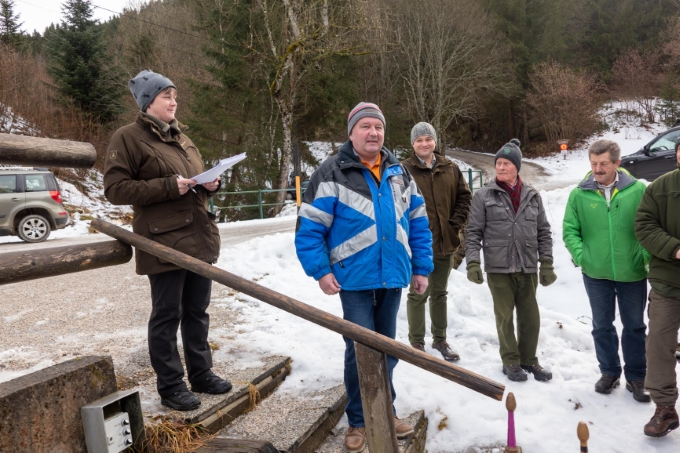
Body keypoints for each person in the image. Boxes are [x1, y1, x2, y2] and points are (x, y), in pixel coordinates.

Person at [295, 102, 434, 452]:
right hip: (352, 278)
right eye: (365, 126)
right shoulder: (331, 172)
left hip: (392, 275)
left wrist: (421, 267)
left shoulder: (400, 173)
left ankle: (386, 410)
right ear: (352, 132)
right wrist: (320, 271)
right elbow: (309, 228)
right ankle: (358, 419)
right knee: (359, 350)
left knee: (387, 348)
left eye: (379, 127)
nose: (373, 133)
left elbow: (418, 222)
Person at [104, 70, 230, 411]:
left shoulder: (182, 138)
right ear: (148, 102)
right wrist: (167, 186)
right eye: (166, 96)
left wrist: (211, 184)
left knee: (197, 312)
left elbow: (195, 181)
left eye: (175, 96)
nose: (174, 102)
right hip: (163, 243)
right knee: (167, 315)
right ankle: (171, 386)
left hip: (198, 239)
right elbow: (115, 190)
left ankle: (201, 374)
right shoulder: (128, 138)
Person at [563, 139, 650, 402]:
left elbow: (650, 226)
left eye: (603, 164)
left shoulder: (637, 191)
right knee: (602, 326)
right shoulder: (579, 194)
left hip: (632, 271)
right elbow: (570, 230)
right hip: (596, 273)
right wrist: (583, 257)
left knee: (634, 326)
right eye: (593, 164)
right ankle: (609, 372)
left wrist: (643, 257)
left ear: (617, 163)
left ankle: (637, 377)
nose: (598, 169)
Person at [465, 139, 555, 382]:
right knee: (504, 317)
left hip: (527, 265)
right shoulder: (483, 195)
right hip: (499, 267)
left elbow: (543, 231)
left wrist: (546, 263)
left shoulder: (533, 196)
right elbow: (473, 232)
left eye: (506, 163)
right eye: (499, 163)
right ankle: (510, 361)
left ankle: (529, 360)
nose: (501, 167)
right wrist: (473, 262)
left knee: (530, 317)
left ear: (517, 167)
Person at [401, 122, 471, 361]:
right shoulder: (403, 170)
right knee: (418, 293)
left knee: (440, 293)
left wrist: (454, 225)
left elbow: (464, 197)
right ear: (413, 144)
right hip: (417, 245)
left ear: (434, 141)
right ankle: (416, 343)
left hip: (445, 242)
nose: (424, 144)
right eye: (419, 140)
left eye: (428, 139)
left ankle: (440, 339)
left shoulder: (450, 167)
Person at [635, 138, 680, 437]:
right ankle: (665, 408)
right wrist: (675, 249)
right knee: (659, 343)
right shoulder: (660, 187)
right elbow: (644, 225)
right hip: (668, 280)